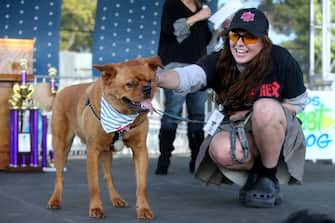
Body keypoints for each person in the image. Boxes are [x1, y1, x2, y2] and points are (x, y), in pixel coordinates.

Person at [156, 7, 308, 208]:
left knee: (264, 109)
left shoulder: (281, 58)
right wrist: (155, 78)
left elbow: (298, 103)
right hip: (238, 131)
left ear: (264, 39)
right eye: (235, 35)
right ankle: (257, 174)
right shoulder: (221, 59)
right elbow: (188, 76)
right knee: (220, 149)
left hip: (278, 132)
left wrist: (251, 113)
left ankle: (268, 178)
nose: (240, 44)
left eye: (250, 38)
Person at [155, 0, 213, 175]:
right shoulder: (172, 4)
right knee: (173, 112)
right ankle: (163, 160)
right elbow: (170, 30)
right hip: (176, 66)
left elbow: (205, 39)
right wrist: (197, 17)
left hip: (198, 67)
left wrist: (221, 28)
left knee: (197, 115)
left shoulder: (200, 8)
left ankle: (196, 161)